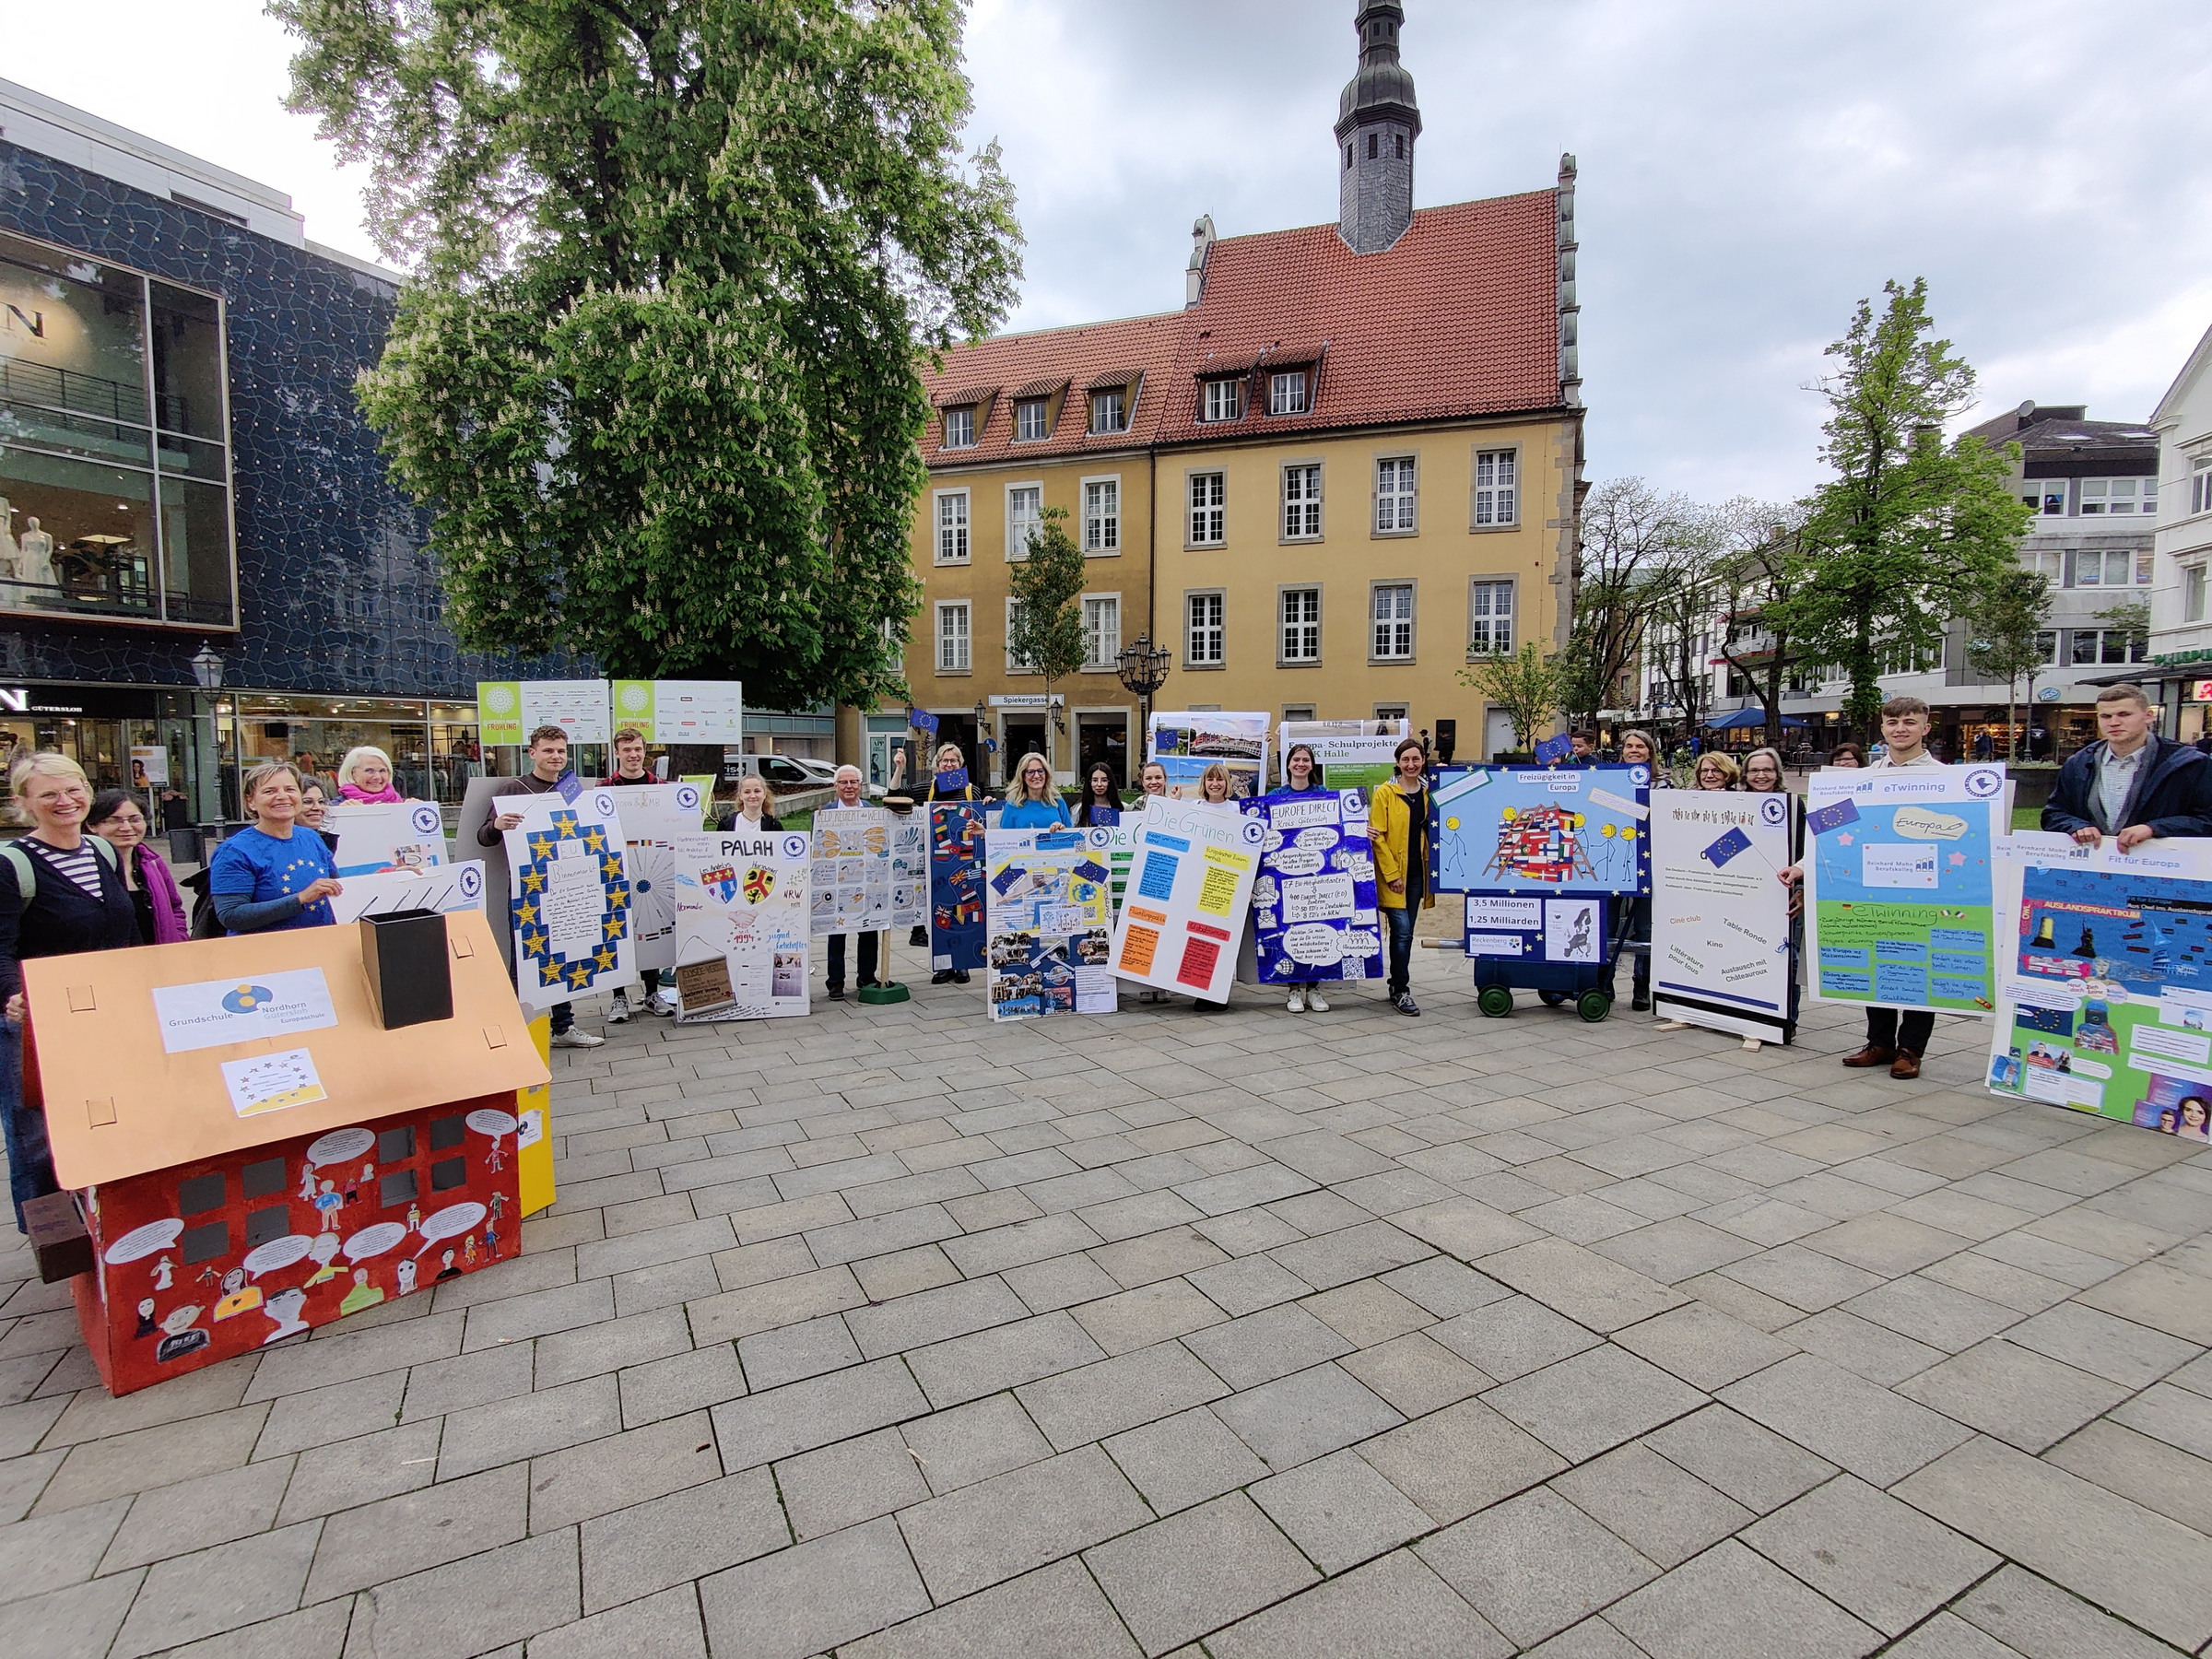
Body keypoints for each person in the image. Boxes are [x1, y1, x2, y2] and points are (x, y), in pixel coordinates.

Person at [0, 753, 140, 1230]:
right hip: (38, 1018)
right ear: (25, 803)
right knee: (37, 1130)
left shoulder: (100, 850)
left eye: (74, 789)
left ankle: (108, 1212)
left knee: (107, 1110)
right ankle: (54, 1234)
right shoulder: (13, 864)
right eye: (49, 794)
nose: (66, 801)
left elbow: (118, 930)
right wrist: (11, 996)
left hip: (102, 1009)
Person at [477, 726, 603, 1048]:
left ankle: (563, 1026)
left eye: (561, 751)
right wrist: (497, 825)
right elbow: (484, 837)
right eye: (548, 750)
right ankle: (516, 1030)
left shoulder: (571, 787)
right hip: (527, 891)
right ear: (532, 753)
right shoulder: (513, 788)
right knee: (524, 958)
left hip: (568, 890)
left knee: (563, 956)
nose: (556, 756)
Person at [2043, 684, 2212, 850]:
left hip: (2163, 866)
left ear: (2148, 716)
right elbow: (2054, 814)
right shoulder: (2078, 763)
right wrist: (2076, 826)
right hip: (2093, 865)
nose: (2114, 722)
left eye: (2124, 714)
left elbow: (2207, 820)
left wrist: (2154, 828)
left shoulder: (2188, 763)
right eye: (2106, 716)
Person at [209, 763, 343, 935]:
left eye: (290, 789)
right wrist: (300, 899)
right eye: (270, 791)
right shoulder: (235, 851)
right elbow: (231, 915)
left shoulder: (311, 837)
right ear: (251, 802)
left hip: (319, 944)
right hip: (264, 953)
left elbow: (337, 885)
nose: (282, 796)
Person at [600, 727, 675, 1022]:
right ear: (617, 752)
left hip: (652, 868)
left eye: (638, 750)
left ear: (645, 753)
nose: (633, 755)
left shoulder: (662, 787)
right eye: (627, 750)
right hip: (615, 870)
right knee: (615, 931)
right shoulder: (603, 790)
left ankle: (652, 993)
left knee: (651, 925)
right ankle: (618, 997)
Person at [1266, 744, 1335, 1014]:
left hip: (1319, 875)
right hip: (1286, 874)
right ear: (1289, 764)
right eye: (1296, 759)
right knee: (1291, 928)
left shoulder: (1324, 795)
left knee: (1318, 926)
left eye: (1306, 760)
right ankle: (1293, 989)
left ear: (1312, 765)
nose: (1301, 764)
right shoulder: (1275, 795)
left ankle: (1314, 989)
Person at [1371, 736, 1432, 1016]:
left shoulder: (1429, 793)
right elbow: (1378, 837)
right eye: (1406, 759)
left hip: (1418, 874)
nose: (1411, 764)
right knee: (1402, 931)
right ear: (1397, 762)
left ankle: (1397, 984)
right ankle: (1400, 989)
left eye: (1416, 759)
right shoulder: (1385, 793)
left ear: (1422, 761)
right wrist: (1392, 874)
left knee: (1405, 934)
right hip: (1394, 874)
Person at [1610, 730, 1666, 1010]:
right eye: (1629, 746)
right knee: (1608, 924)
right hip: (1614, 863)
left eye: (1640, 746)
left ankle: (1641, 985)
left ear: (1649, 751)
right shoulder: (1609, 778)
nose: (1634, 750)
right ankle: (1604, 979)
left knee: (1645, 928)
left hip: (1649, 863)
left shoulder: (1662, 785)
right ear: (1623, 751)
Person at [87, 789, 188, 945]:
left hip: (158, 962)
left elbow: (175, 908)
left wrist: (178, 938)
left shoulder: (152, 863)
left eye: (135, 819)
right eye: (114, 820)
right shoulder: (86, 868)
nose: (126, 827)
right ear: (92, 825)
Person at [919, 745, 980, 984]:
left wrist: (986, 800)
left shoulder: (969, 789)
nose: (949, 764)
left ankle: (963, 964)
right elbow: (896, 792)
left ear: (960, 764)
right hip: (938, 861)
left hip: (964, 858)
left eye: (954, 761)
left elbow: (980, 815)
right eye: (945, 760)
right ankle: (943, 964)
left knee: (966, 908)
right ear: (937, 765)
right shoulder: (928, 788)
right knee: (940, 911)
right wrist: (899, 767)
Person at [824, 764, 882, 999]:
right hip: (837, 882)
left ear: (860, 785)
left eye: (853, 782)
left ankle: (866, 976)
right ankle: (835, 981)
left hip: (866, 881)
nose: (849, 787)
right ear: (835, 786)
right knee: (836, 932)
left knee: (868, 930)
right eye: (844, 783)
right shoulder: (825, 813)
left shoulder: (872, 810)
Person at [1001, 752, 1072, 828]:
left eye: (1040, 771)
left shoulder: (1057, 802)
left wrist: (1061, 830)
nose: (1037, 776)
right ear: (1023, 776)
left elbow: (1071, 834)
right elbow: (1004, 837)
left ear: (1046, 774)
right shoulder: (1012, 806)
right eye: (1030, 772)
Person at [336, 746, 406, 804]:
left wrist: (413, 808)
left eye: (382, 770)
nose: (377, 777)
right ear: (352, 773)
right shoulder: (336, 806)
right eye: (369, 771)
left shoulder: (401, 803)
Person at [1076, 762, 1122, 827]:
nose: (1099, 784)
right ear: (1090, 782)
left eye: (1104, 780)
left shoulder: (1123, 809)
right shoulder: (1077, 810)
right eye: (1095, 780)